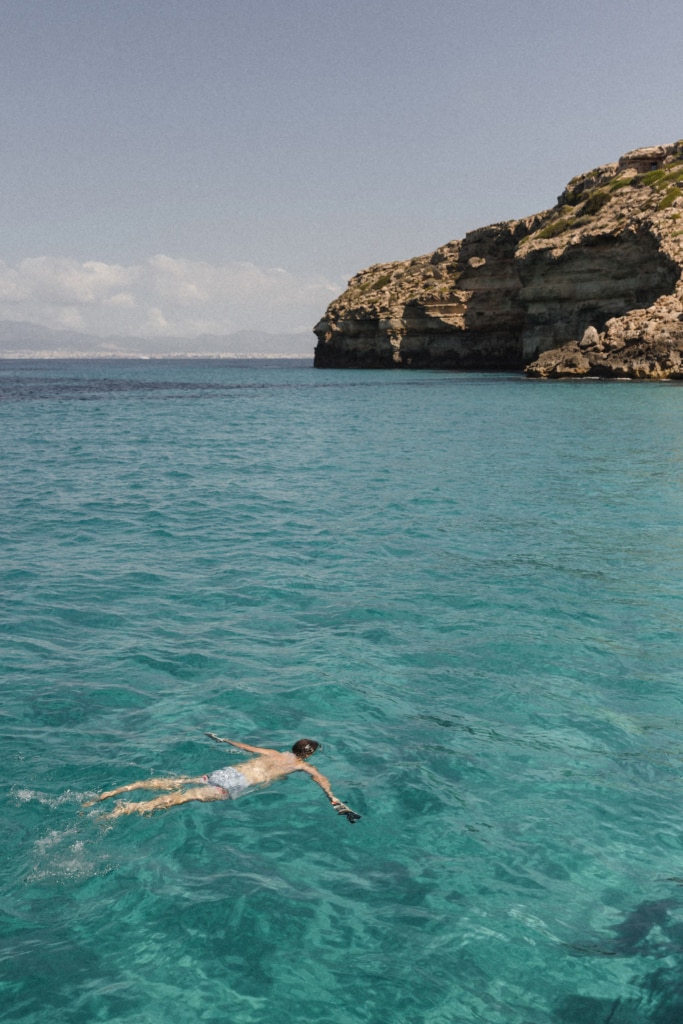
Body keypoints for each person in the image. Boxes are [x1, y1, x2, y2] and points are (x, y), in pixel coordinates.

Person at [84, 734, 361, 822]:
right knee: (180, 799)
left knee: (180, 782)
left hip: (229, 772)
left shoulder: (271, 752)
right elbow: (323, 784)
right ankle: (126, 810)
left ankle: (115, 792)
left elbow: (242, 746)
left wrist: (220, 738)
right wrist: (337, 802)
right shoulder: (303, 768)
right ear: (308, 756)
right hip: (236, 785)